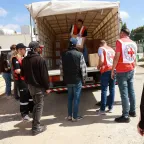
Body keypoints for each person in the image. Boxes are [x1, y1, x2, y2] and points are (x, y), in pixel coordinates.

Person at [21, 41, 50, 136]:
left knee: (35, 105)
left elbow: (22, 74)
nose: (40, 49)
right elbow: (44, 76)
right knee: (39, 106)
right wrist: (47, 87)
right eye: (39, 48)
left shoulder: (25, 59)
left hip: (30, 87)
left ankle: (34, 124)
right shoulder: (40, 59)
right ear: (35, 49)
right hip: (38, 88)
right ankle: (36, 128)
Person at [111, 28, 137, 123]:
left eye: (119, 32)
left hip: (122, 71)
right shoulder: (133, 43)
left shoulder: (120, 42)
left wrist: (113, 69)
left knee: (124, 93)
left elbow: (117, 56)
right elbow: (134, 57)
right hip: (131, 69)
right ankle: (132, 111)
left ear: (122, 33)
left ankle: (125, 116)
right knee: (131, 91)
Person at [60, 37, 87, 122]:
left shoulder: (63, 54)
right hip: (77, 80)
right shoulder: (79, 54)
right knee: (76, 98)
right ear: (75, 45)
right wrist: (84, 78)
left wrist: (62, 77)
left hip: (68, 80)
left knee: (70, 98)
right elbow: (83, 68)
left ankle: (69, 116)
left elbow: (61, 68)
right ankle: (75, 116)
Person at [12, 43, 34, 121]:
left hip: (26, 80)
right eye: (24, 49)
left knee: (30, 95)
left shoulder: (24, 58)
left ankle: (31, 110)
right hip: (21, 81)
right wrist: (27, 71)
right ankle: (24, 114)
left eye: (25, 49)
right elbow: (17, 70)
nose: (25, 50)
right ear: (19, 50)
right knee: (24, 97)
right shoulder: (15, 59)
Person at [96, 40, 115, 115]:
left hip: (106, 70)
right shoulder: (111, 49)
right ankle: (111, 107)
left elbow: (102, 60)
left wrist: (99, 66)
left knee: (104, 90)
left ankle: (102, 109)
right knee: (112, 89)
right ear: (106, 43)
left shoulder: (101, 48)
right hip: (113, 70)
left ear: (100, 44)